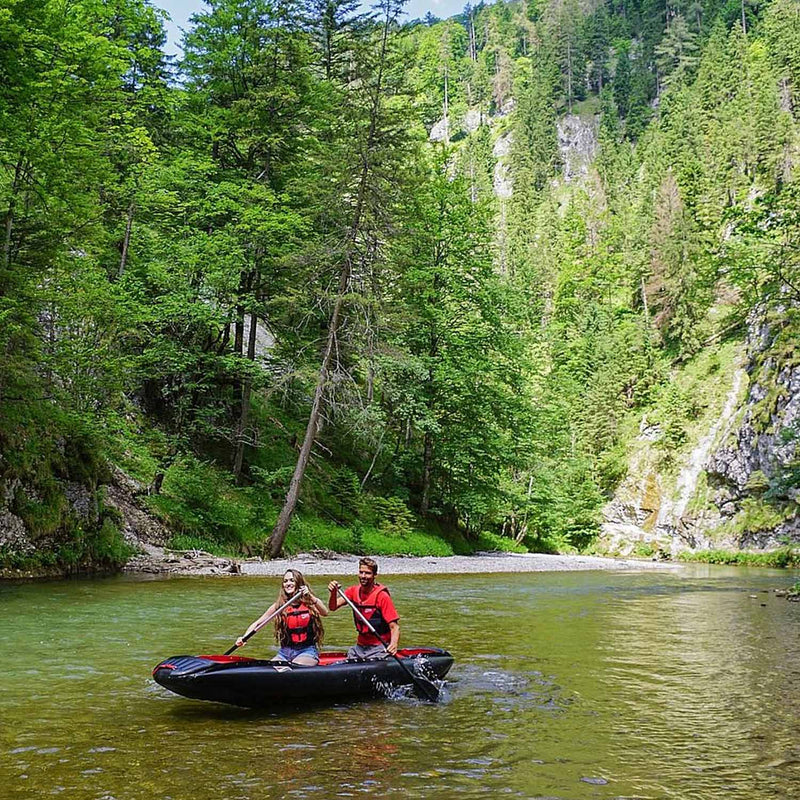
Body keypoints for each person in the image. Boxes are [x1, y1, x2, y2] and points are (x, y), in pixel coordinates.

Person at [235, 569, 328, 665]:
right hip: (285, 652)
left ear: (298, 583)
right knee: (270, 670)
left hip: (307, 651)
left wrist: (310, 597)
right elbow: (258, 623)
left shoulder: (309, 603)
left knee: (294, 667)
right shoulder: (279, 606)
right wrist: (244, 637)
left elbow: (325, 612)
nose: (288, 583)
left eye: (292, 580)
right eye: (285, 581)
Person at [327, 557, 400, 659]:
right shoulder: (352, 592)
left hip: (379, 647)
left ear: (375, 575)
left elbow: (394, 627)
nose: (363, 576)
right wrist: (333, 593)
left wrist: (393, 645)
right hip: (360, 646)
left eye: (368, 573)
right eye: (361, 572)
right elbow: (332, 607)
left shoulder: (382, 596)